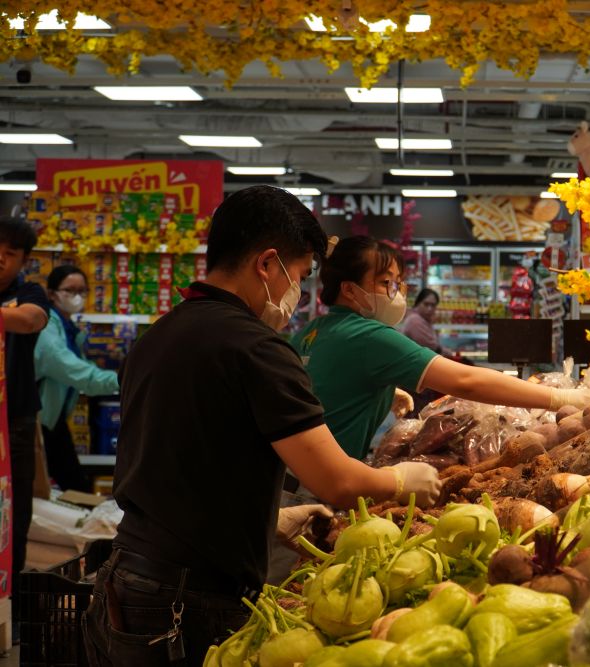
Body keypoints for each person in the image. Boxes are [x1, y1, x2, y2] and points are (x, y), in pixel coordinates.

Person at [84, 186, 441, 666]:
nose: (298, 292)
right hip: (188, 598)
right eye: (300, 275)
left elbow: (183, 460)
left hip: (129, 577)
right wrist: (398, 480)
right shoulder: (258, 349)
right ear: (267, 264)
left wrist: (266, 521)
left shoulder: (160, 334)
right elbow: (336, 481)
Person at [292, 236, 590, 461]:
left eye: (398, 283)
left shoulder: (311, 331)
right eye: (386, 283)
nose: (396, 293)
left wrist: (380, 389)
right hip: (316, 486)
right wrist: (561, 398)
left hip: (292, 474)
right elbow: (466, 381)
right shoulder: (368, 335)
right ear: (349, 289)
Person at [0, 217, 50, 630]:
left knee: (13, 519)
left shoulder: (29, 293)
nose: (0, 259)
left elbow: (30, 320)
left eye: (10, 253)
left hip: (14, 422)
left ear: (24, 261)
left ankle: (11, 609)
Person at [35, 265, 119, 492]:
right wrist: (122, 380)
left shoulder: (68, 328)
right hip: (37, 421)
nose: (77, 296)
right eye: (69, 290)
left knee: (70, 484)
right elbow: (74, 370)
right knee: (72, 485)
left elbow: (82, 368)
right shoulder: (46, 328)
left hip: (51, 419)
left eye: (82, 291)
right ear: (52, 294)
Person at [401, 287, 444, 353]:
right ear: (418, 303)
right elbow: (431, 347)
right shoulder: (415, 320)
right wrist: (449, 352)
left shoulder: (423, 319)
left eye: (433, 305)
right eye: (426, 304)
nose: (429, 309)